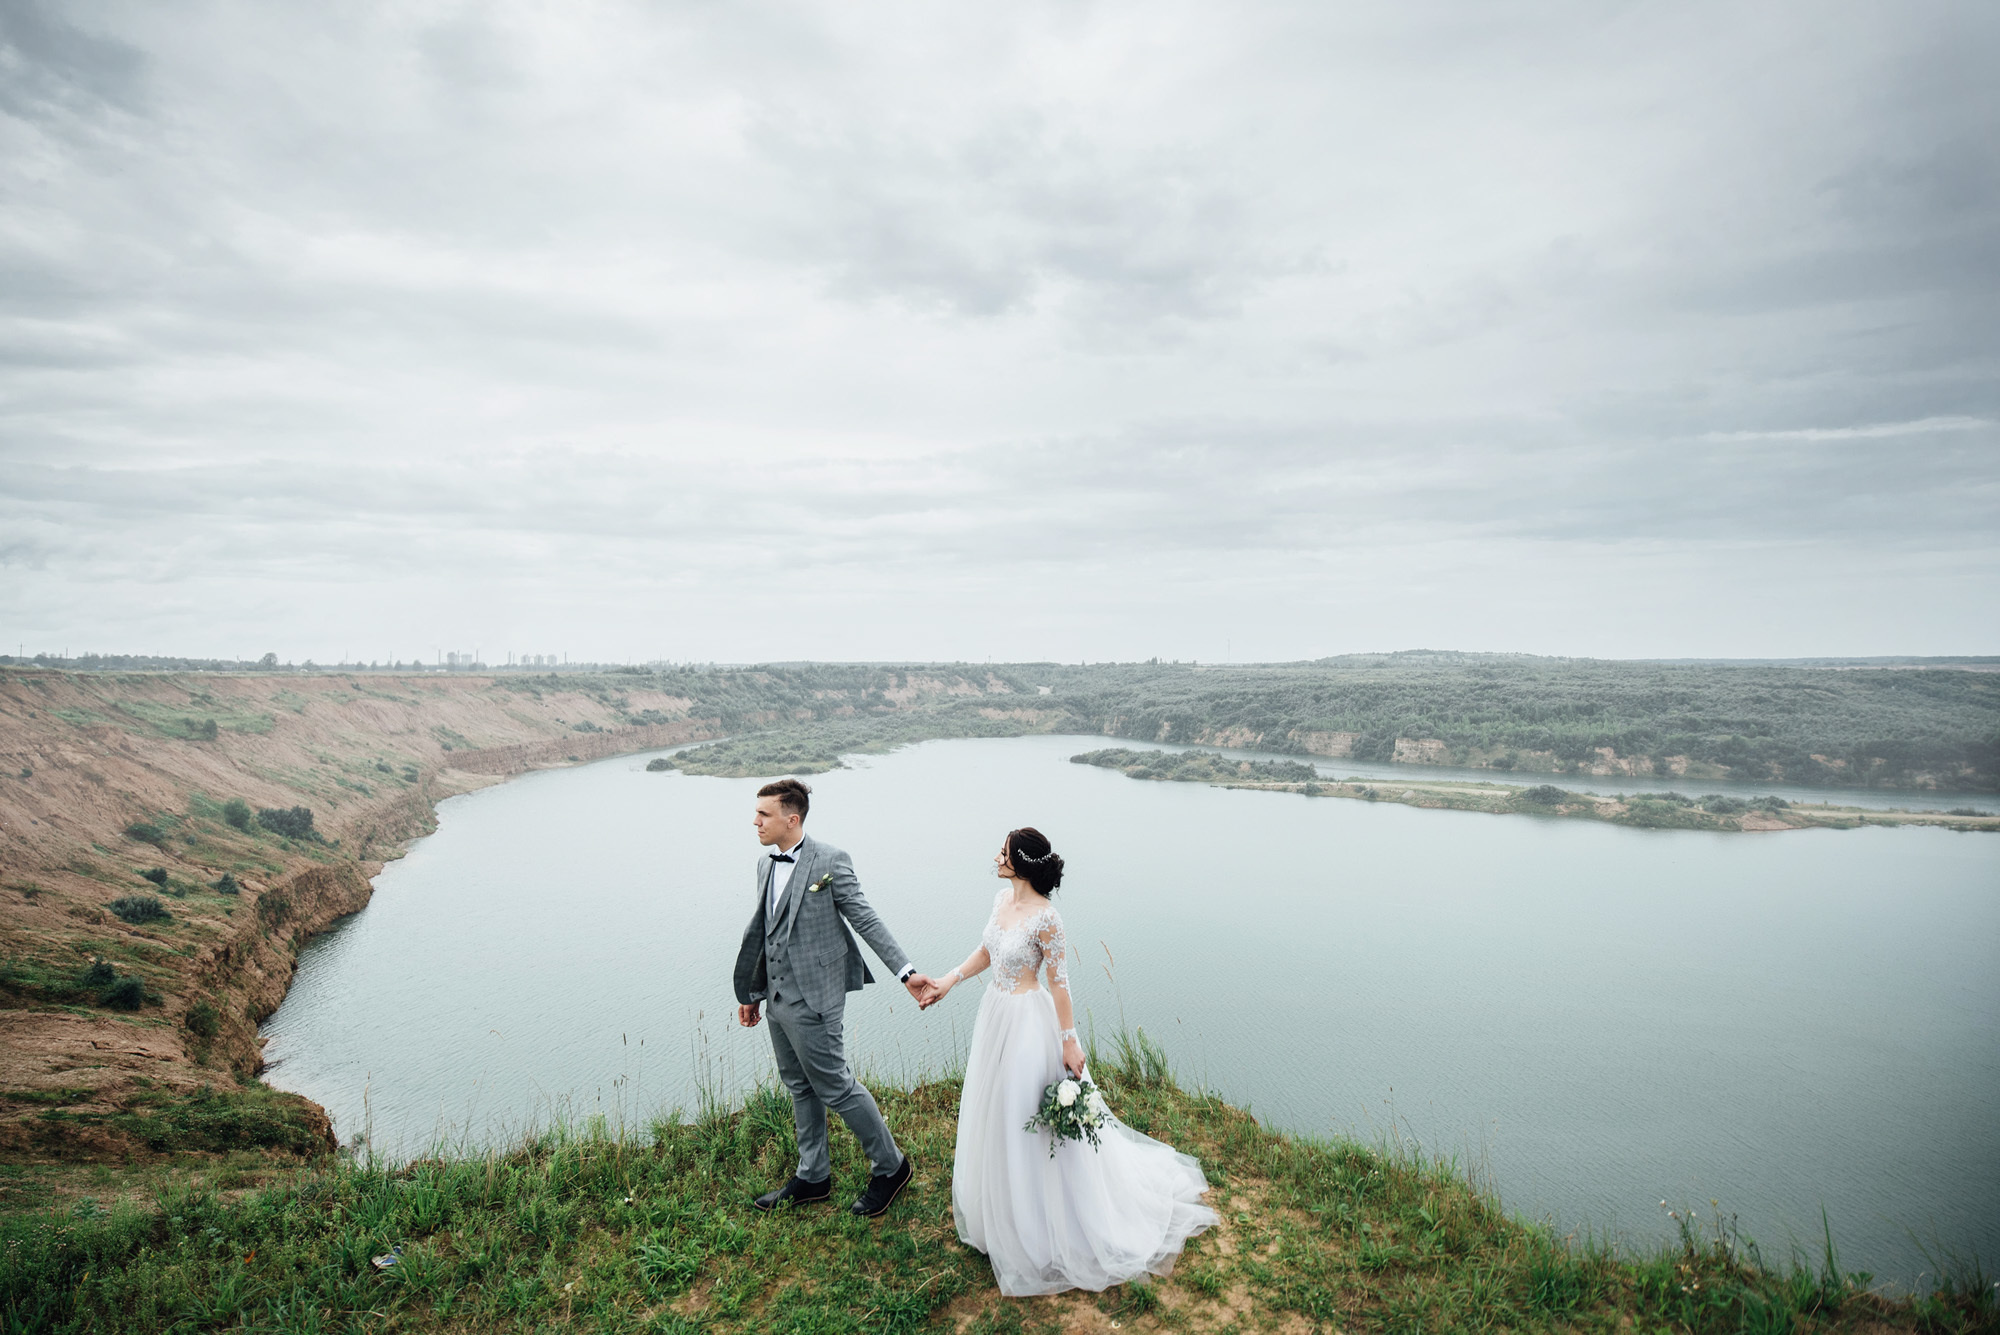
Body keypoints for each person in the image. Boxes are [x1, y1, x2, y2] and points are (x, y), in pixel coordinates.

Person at [917, 827, 1217, 1295]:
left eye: (1003, 850)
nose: (996, 855)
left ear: (1020, 861)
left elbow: (1060, 984)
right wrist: (948, 979)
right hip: (994, 1014)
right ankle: (999, 1212)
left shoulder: (1048, 919)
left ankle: (1038, 1226)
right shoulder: (1000, 901)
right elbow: (987, 951)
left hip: (1027, 1025)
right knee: (995, 1112)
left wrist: (1069, 1042)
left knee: (1028, 1119)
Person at [732, 778, 931, 1217]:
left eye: (763, 814)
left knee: (836, 1086)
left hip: (816, 997)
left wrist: (906, 972)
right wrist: (753, 990)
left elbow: (865, 918)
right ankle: (813, 1176)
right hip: (778, 997)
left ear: (792, 818)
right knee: (799, 1085)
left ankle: (891, 1167)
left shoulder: (830, 860)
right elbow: (765, 932)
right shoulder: (766, 865)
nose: (755, 821)